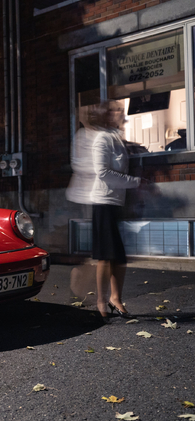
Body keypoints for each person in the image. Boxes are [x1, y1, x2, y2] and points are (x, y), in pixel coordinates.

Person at [89, 100, 142, 321]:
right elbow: (102, 172)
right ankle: (102, 300)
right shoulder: (102, 139)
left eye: (121, 109)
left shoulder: (119, 140)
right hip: (103, 202)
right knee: (105, 256)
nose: (121, 112)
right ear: (107, 116)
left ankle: (115, 298)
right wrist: (136, 182)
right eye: (115, 109)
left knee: (119, 256)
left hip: (116, 203)